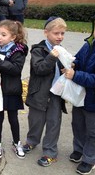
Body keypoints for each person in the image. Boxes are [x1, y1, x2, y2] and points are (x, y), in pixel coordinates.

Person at [23, 16, 68, 167]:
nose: (60, 37)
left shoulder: (61, 51)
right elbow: (39, 69)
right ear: (46, 33)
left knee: (54, 123)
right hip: (39, 93)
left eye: (62, 33)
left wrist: (68, 69)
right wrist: (51, 57)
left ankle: (50, 152)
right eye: (56, 33)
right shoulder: (38, 50)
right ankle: (32, 141)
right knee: (36, 120)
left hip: (56, 94)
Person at [0, 20, 28, 159]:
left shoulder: (18, 51)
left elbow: (16, 69)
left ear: (13, 37)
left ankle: (17, 142)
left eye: (3, 35)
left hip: (11, 90)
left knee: (13, 118)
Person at [64, 22, 95, 175]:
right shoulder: (89, 43)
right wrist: (73, 64)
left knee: (92, 131)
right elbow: (79, 58)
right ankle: (79, 149)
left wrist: (76, 75)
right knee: (78, 124)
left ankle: (90, 158)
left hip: (94, 100)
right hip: (81, 95)